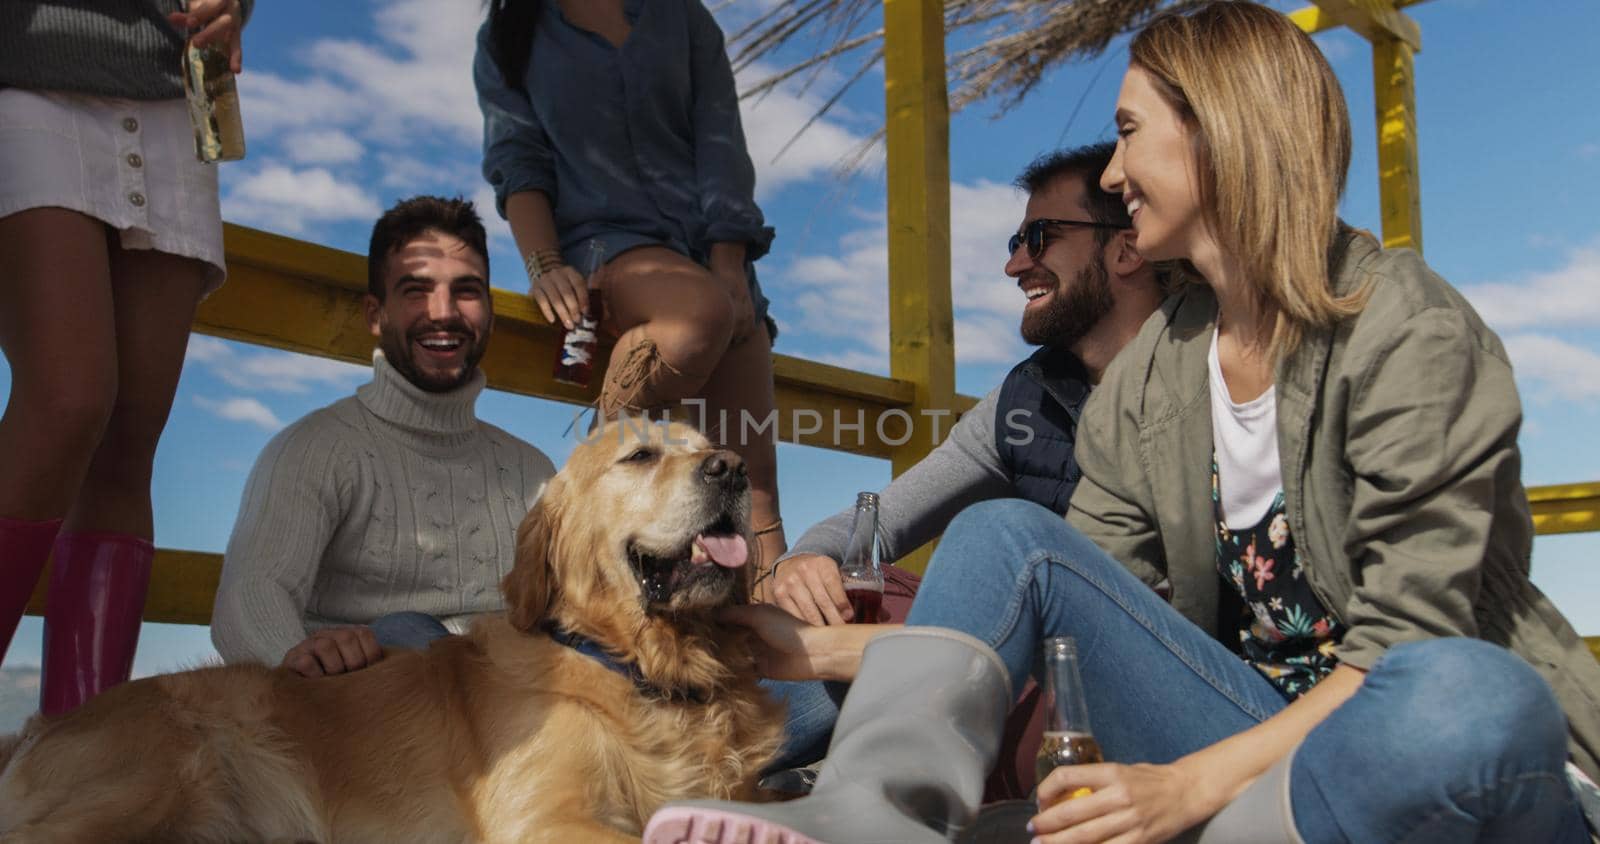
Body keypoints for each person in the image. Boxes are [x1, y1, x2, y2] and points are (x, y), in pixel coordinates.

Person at [640, 4, 1600, 843]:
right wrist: (825, 646)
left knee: (1473, 700)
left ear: (1217, 133)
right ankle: (860, 810)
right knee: (1006, 535)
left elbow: (1402, 652)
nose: (1115, 169)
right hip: (1244, 737)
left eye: (1130, 132)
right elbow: (1068, 600)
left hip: (1388, 751)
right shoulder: (1158, 371)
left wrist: (1177, 790)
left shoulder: (1405, 330)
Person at [760, 142, 1167, 771]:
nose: (1013, 265)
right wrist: (806, 560)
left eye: (1039, 236)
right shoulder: (1025, 397)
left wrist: (841, 648)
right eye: (1015, 239)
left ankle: (749, 776)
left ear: (1127, 247)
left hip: (1113, 697)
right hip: (1003, 668)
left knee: (994, 540)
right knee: (845, 590)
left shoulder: (1205, 377)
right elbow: (883, 518)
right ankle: (687, 767)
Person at [472, 0, 790, 585]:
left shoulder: (683, 17)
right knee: (696, 318)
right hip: (607, 251)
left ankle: (770, 671)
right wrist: (543, 264)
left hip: (715, 257)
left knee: (756, 500)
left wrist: (728, 262)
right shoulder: (507, 35)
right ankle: (603, 489)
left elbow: (721, 139)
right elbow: (518, 160)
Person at [0, 0, 250, 714]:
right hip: (25, 69)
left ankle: (81, 771)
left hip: (176, 95)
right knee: (67, 400)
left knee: (128, 444)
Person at [211, 196, 557, 679]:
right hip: (369, 716)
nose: (444, 313)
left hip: (505, 709)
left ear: (490, 313)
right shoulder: (317, 447)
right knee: (405, 632)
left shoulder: (532, 471)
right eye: (416, 291)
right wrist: (298, 658)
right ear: (376, 314)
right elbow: (249, 599)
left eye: (467, 291)